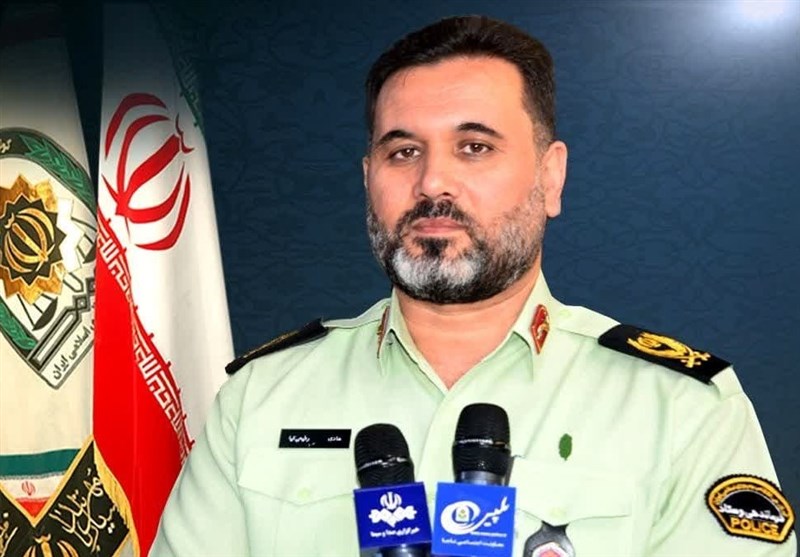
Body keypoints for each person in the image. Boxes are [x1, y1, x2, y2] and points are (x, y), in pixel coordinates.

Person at [150, 15, 795, 557]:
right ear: (368, 178)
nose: (432, 181)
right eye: (403, 152)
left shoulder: (681, 408)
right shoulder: (260, 399)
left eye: (475, 147)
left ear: (550, 177)